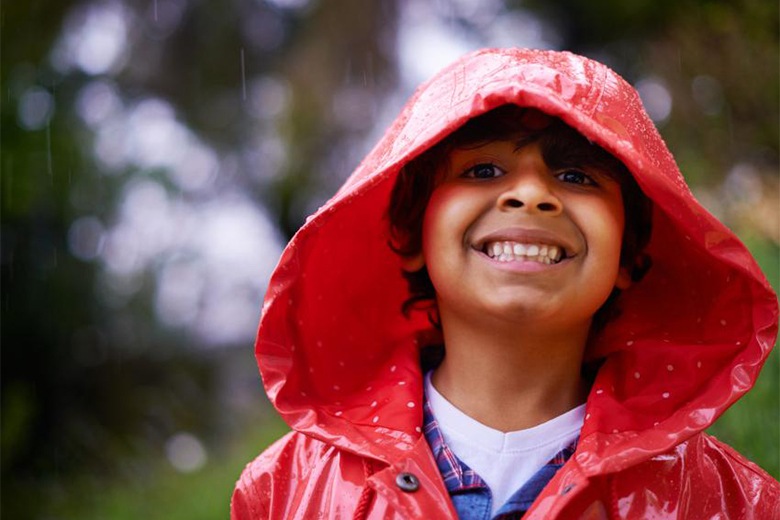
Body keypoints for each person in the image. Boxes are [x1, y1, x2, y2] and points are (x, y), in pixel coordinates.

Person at [231, 48, 779, 520]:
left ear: (630, 256)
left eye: (576, 176)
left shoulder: (734, 502)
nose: (530, 196)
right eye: (483, 170)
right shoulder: (284, 488)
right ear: (412, 231)